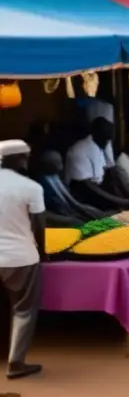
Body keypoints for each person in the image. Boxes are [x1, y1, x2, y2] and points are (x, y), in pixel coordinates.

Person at [0, 140, 46, 379]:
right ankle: (16, 363)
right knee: (23, 310)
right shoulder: (30, 187)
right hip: (20, 257)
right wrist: (44, 253)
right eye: (25, 157)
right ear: (17, 159)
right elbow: (39, 225)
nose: (27, 161)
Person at [66, 118, 129, 210]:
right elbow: (88, 187)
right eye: (105, 140)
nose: (107, 143)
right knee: (119, 207)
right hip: (82, 193)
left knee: (116, 171)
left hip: (98, 186)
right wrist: (123, 201)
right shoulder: (78, 151)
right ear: (95, 134)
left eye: (109, 140)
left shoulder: (100, 144)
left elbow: (110, 171)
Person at [36, 150, 106, 226]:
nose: (61, 166)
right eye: (57, 163)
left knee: (95, 213)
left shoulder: (56, 176)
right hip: (59, 213)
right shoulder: (41, 184)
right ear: (48, 166)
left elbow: (70, 199)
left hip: (70, 208)